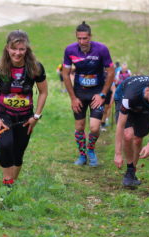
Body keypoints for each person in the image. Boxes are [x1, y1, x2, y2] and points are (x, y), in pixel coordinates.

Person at [0, 30, 48, 187]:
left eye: (22, 49)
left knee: (18, 153)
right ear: (7, 48)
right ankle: (7, 184)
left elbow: (43, 92)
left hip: (25, 117)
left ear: (27, 49)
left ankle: (12, 184)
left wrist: (36, 116)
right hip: (3, 114)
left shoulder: (35, 68)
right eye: (14, 48)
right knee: (6, 146)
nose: (17, 53)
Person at [62, 21, 115, 166]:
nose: (82, 41)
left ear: (90, 37)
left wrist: (103, 94)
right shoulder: (70, 50)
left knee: (94, 127)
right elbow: (65, 74)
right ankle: (82, 155)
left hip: (97, 92)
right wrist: (73, 98)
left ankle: (91, 150)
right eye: (79, 38)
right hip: (79, 93)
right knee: (79, 126)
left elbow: (111, 72)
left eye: (85, 38)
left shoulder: (101, 49)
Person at [114, 76, 149, 187]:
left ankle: (132, 171)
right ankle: (130, 171)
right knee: (128, 135)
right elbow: (120, 125)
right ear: (148, 91)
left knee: (138, 139)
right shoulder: (130, 96)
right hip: (123, 96)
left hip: (143, 106)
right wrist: (118, 153)